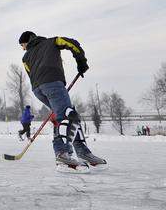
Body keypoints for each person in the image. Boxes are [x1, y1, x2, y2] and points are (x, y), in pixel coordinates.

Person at [19, 31, 106, 170]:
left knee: (70, 115)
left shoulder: (25, 57)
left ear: (28, 40)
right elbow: (73, 44)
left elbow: (31, 74)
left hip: (38, 90)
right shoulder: (53, 41)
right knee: (67, 116)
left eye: (23, 45)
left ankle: (82, 151)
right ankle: (62, 153)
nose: (23, 48)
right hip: (52, 83)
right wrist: (81, 62)